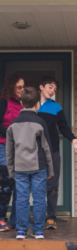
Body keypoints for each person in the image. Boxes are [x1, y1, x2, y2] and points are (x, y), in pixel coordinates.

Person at [6, 87, 54, 239]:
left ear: (21, 102)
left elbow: (9, 150)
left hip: (19, 168)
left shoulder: (13, 124)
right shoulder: (40, 122)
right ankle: (38, 231)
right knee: (39, 198)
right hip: (39, 167)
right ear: (37, 104)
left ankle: (21, 230)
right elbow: (47, 148)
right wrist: (50, 170)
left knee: (21, 198)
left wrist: (11, 170)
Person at [38, 76, 77, 229]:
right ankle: (36, 217)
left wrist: (74, 140)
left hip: (53, 150)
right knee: (35, 183)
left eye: (54, 89)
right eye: (50, 87)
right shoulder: (31, 104)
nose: (52, 91)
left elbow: (63, 127)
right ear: (41, 87)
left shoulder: (56, 106)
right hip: (34, 151)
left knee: (52, 184)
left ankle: (50, 217)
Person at [0, 73, 24, 231]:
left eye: (23, 87)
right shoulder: (3, 102)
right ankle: (1, 219)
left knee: (19, 185)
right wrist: (11, 134)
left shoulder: (22, 105)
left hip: (19, 150)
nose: (22, 90)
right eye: (19, 87)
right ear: (11, 87)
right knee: (5, 185)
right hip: (4, 148)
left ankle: (15, 221)